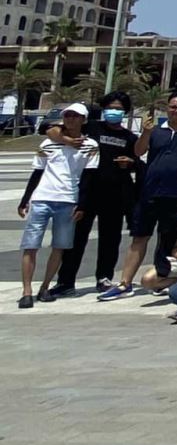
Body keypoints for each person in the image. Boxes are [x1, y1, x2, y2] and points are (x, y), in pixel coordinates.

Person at [100, 90, 177, 301]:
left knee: (168, 241)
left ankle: (162, 279)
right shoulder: (156, 131)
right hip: (150, 192)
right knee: (140, 237)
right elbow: (138, 152)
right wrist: (146, 133)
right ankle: (125, 283)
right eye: (173, 106)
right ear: (167, 108)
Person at [54, 93, 140, 296]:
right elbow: (50, 130)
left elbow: (138, 161)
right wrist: (66, 139)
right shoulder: (91, 127)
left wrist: (130, 163)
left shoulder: (129, 137)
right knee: (76, 238)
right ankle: (66, 281)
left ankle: (103, 278)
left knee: (110, 239)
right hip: (87, 193)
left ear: (124, 112)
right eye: (110, 107)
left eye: (118, 108)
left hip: (116, 194)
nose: (114, 111)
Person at [17, 106, 98, 308]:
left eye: (75, 116)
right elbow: (37, 171)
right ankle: (26, 291)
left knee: (59, 247)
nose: (70, 119)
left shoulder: (90, 145)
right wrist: (25, 199)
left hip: (68, 200)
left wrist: (82, 205)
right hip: (42, 197)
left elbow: (88, 177)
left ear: (84, 120)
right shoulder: (48, 143)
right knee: (30, 245)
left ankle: (45, 287)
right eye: (67, 116)